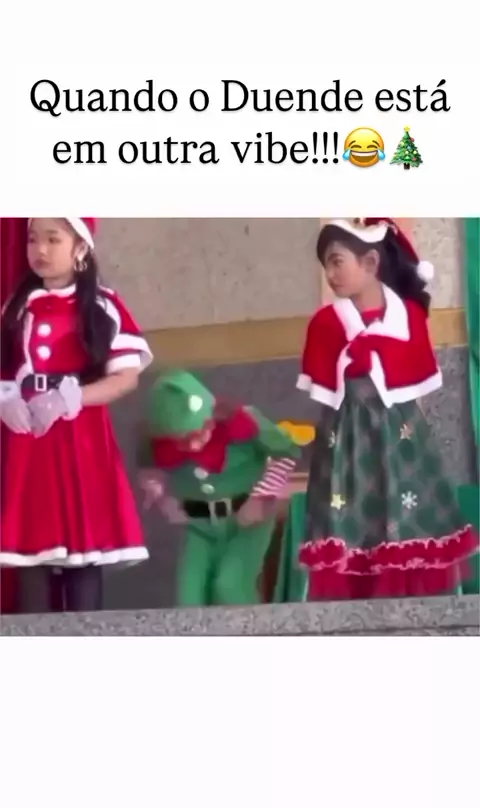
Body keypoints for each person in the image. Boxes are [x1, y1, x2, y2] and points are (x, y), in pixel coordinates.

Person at [296, 217, 478, 600]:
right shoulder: (325, 324)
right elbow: (326, 398)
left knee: (402, 515)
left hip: (399, 438)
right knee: (348, 523)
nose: (331, 274)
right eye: (326, 265)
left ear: (370, 262)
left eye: (337, 261)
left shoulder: (407, 318)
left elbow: (414, 385)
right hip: (345, 441)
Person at [0, 217, 152, 613]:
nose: (40, 250)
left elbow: (126, 377)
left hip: (81, 438)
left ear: (81, 247)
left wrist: (71, 398)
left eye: (53, 239)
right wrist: (6, 398)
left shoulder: (103, 305)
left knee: (83, 556)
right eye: (33, 239)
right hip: (30, 439)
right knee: (31, 555)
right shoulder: (15, 308)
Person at [137, 370, 300, 606]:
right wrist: (159, 493)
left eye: (200, 432)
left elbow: (288, 452)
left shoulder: (244, 421)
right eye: (183, 441)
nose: (194, 446)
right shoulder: (157, 444)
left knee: (230, 586)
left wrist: (262, 495)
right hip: (198, 525)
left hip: (246, 520)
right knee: (188, 594)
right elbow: (150, 470)